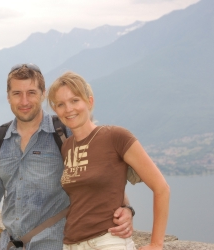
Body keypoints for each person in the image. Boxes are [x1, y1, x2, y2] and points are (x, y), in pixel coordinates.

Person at [0, 64, 135, 250]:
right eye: (17, 93)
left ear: (43, 94)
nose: (24, 101)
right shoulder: (0, 140)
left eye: (31, 92)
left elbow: (102, 177)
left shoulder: (64, 134)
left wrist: (126, 208)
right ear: (8, 97)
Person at [47, 71, 170, 250]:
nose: (68, 109)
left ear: (89, 101)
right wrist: (127, 207)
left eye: (75, 100)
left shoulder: (116, 137)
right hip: (72, 243)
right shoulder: (67, 147)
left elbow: (161, 188)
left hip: (108, 242)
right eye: (60, 104)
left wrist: (156, 244)